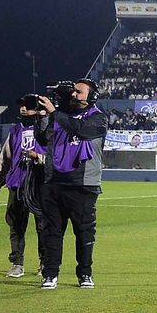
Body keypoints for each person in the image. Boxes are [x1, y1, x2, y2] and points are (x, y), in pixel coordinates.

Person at [35, 80, 108, 290]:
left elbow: (81, 130)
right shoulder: (59, 116)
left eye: (79, 92)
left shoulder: (98, 118)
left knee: (84, 233)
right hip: (55, 182)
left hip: (83, 184)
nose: (74, 95)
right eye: (73, 92)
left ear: (92, 96)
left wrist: (55, 113)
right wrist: (43, 117)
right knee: (52, 232)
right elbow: (41, 140)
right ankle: (50, 274)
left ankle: (85, 273)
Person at [0, 96, 47, 278]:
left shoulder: (47, 130)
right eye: (21, 105)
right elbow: (5, 158)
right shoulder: (15, 131)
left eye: (28, 106)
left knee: (43, 227)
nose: (23, 109)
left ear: (39, 110)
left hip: (39, 185)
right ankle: (17, 263)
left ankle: (45, 263)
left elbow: (56, 157)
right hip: (16, 184)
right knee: (16, 226)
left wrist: (38, 157)